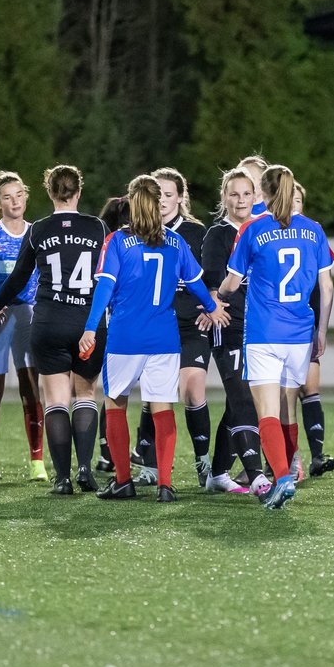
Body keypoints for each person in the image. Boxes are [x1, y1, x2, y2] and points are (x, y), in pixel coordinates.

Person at [81, 175, 229, 502]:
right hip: (164, 338)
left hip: (125, 337)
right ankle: (165, 484)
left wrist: (90, 328)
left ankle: (123, 480)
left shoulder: (118, 241)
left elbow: (104, 288)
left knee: (116, 404)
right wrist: (211, 306)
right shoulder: (176, 243)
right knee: (163, 409)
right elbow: (195, 283)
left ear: (134, 203)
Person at [0, 165, 107, 495]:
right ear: (79, 191)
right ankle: (85, 470)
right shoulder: (97, 227)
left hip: (47, 321)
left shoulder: (40, 229)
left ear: (48, 192)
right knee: (85, 395)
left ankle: (61, 478)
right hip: (86, 323)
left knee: (56, 400)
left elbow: (18, 277)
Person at [215, 164, 334, 510]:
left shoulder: (253, 229)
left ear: (262, 194)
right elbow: (326, 287)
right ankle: (292, 467)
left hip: (265, 332)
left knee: (265, 411)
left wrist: (218, 296)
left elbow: (233, 282)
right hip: (300, 333)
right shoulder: (314, 230)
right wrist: (322, 330)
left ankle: (281, 477)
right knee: (287, 409)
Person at [131, 168, 213, 487]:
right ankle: (150, 466)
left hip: (191, 325)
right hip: (156, 325)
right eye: (157, 195)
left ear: (180, 197)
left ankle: (204, 463)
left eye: (168, 194)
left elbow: (208, 278)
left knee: (192, 392)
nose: (162, 201)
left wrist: (211, 304)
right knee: (155, 394)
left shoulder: (195, 233)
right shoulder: (137, 234)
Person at [202, 168, 271, 497]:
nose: (241, 199)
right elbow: (213, 285)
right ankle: (256, 474)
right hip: (229, 326)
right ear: (224, 198)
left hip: (260, 327)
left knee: (237, 403)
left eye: (247, 193)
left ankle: (217, 473)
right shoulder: (218, 235)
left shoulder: (263, 231)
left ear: (256, 196)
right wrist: (213, 301)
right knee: (243, 397)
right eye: (234, 193)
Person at [0, 171, 47, 483]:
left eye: (19, 195)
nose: (14, 201)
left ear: (26, 196)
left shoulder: (38, 233)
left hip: (28, 318)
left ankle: (37, 461)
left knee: (31, 389)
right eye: (7, 196)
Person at [294, 182, 334, 481]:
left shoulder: (312, 234)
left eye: (299, 200)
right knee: (282, 396)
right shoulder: (266, 232)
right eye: (290, 199)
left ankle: (316, 456)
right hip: (276, 327)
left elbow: (326, 284)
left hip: (304, 324)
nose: (294, 204)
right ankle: (286, 459)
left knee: (310, 390)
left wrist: (320, 329)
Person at [93, 195, 131, 475]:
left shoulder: (105, 242)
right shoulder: (123, 242)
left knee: (112, 394)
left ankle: (108, 453)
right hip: (125, 326)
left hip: (106, 325)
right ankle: (134, 451)